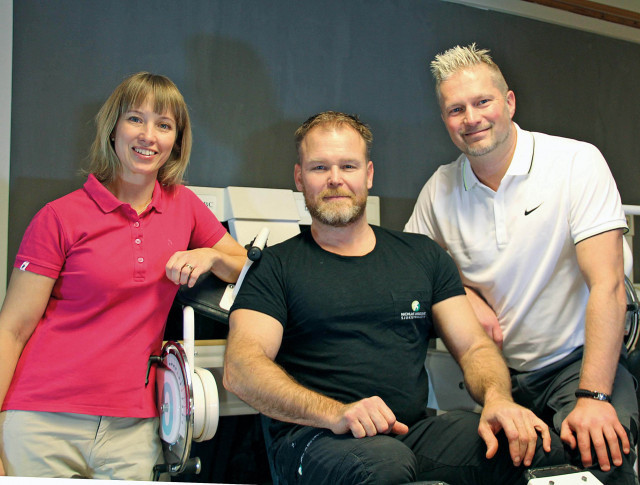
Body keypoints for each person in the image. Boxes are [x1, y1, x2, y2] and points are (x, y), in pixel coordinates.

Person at [223, 111, 565, 485]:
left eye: (348, 166)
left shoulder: (422, 256)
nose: (335, 179)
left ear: (368, 174)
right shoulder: (274, 266)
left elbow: (473, 347)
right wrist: (337, 413)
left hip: (411, 432)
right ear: (299, 177)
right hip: (315, 437)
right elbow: (242, 369)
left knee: (531, 446)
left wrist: (499, 399)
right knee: (384, 464)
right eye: (320, 167)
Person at [405, 44, 639, 484]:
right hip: (502, 377)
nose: (471, 118)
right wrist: (460, 293)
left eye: (482, 102)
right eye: (456, 109)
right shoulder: (439, 190)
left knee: (597, 457)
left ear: (509, 102)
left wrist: (592, 396)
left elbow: (607, 284)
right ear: (444, 120)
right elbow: (413, 272)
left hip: (578, 362)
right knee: (505, 470)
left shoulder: (574, 162)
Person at [0, 72, 247, 479]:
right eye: (136, 119)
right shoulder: (59, 216)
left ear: (175, 142)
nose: (148, 135)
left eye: (164, 125)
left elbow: (242, 263)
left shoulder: (184, 206)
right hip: (42, 418)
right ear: (112, 129)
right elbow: (11, 330)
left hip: (132, 427)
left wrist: (209, 256)